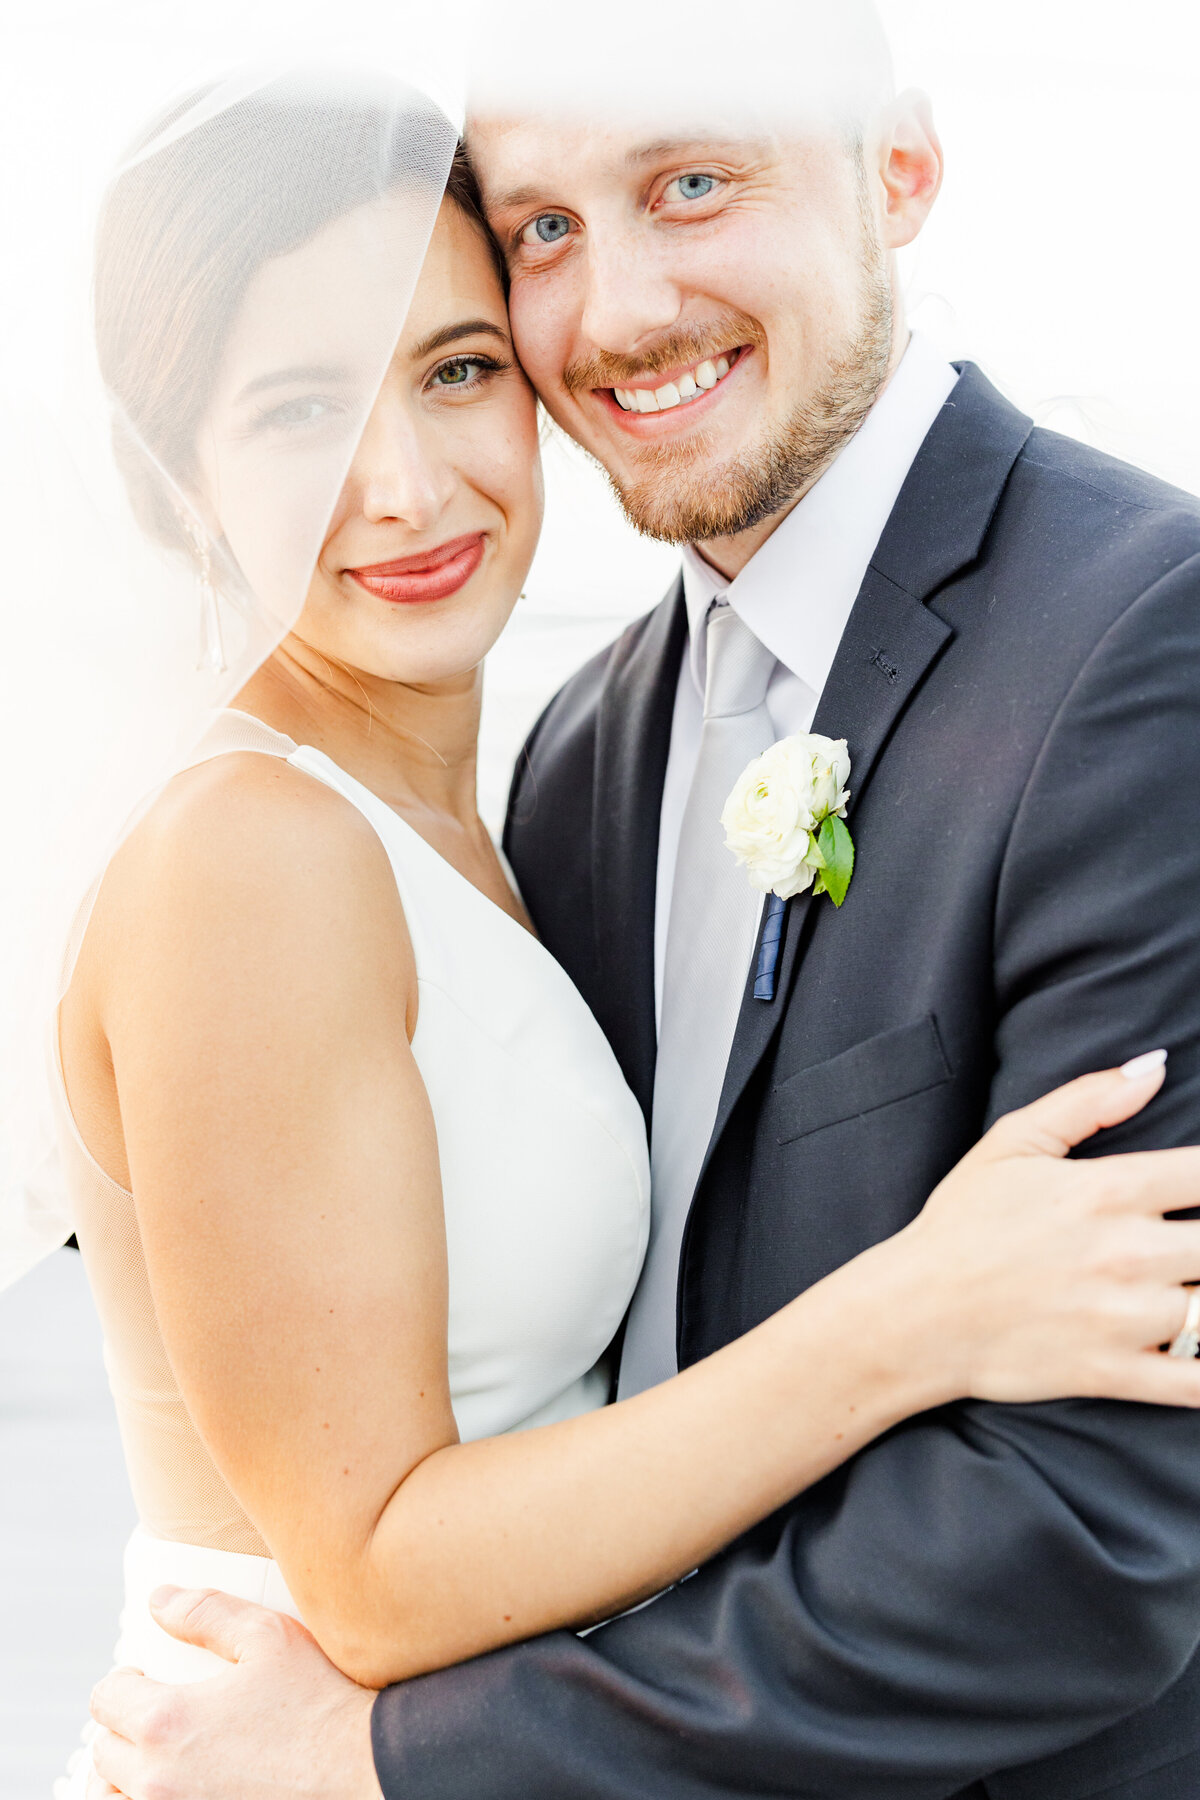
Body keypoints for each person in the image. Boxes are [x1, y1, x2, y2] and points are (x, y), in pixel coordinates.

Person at [85, 23, 1200, 1800]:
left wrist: (398, 1760)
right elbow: (389, 1531)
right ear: (173, 483)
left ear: (899, 172)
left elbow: (1092, 1535)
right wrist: (904, 1315)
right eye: (541, 233)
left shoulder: (1145, 642)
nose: (616, 311)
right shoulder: (558, 767)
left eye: (694, 182)